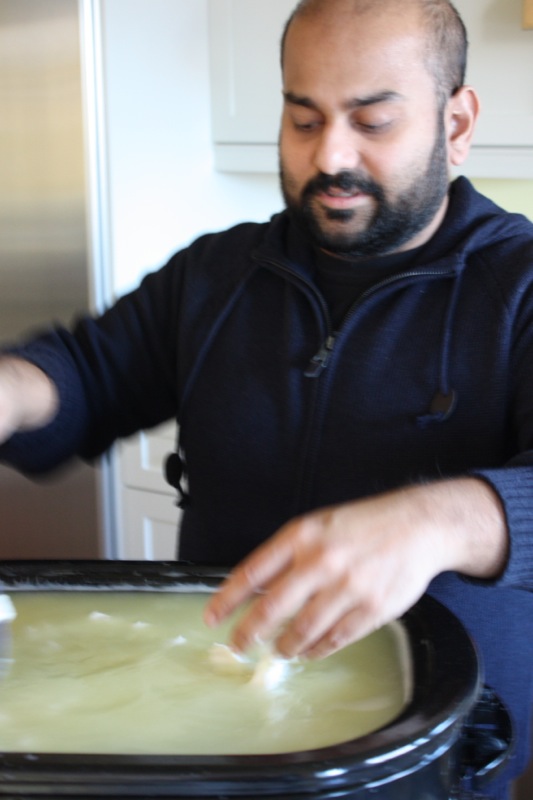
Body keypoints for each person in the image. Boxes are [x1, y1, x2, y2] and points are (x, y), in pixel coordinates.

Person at [0, 0, 532, 795]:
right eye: (303, 119)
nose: (331, 155)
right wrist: (11, 391)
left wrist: (441, 520)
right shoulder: (215, 274)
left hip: (426, 757)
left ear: (455, 124)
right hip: (216, 736)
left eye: (372, 122)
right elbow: (85, 371)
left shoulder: (518, 287)